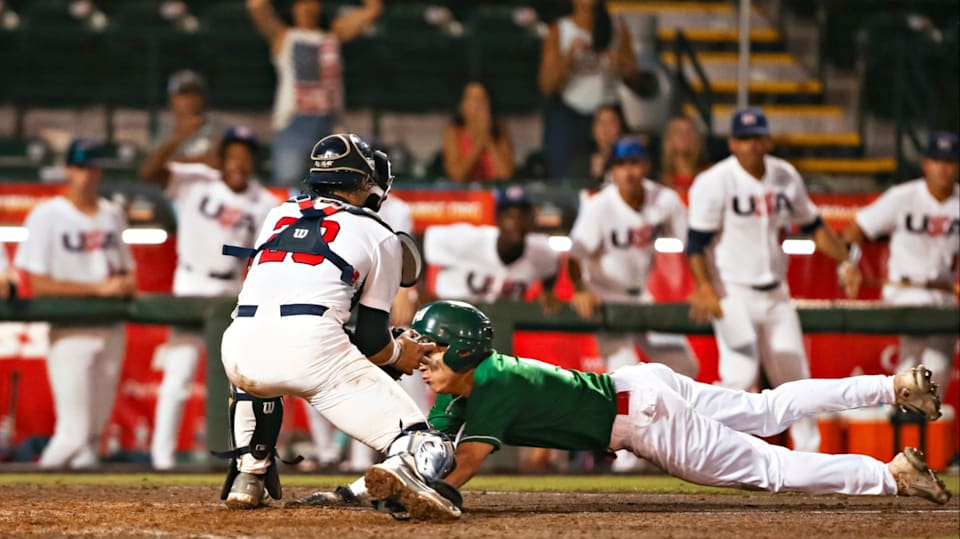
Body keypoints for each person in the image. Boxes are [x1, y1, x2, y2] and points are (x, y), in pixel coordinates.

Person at [295, 300, 953, 511]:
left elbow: (454, 476)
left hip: (645, 418)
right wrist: (358, 490)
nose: (424, 360)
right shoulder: (469, 381)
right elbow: (425, 453)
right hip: (643, 387)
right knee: (768, 404)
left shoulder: (491, 385)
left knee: (770, 465)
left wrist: (410, 494)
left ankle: (888, 474)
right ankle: (891, 387)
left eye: (433, 351)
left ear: (465, 353)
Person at [216, 133, 461, 520]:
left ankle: (249, 473)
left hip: (237, 349)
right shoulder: (381, 234)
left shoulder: (277, 214)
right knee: (431, 446)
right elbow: (372, 340)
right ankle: (401, 470)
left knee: (259, 358)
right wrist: (401, 353)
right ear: (364, 183)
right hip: (314, 354)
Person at [685, 107, 862, 453]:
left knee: (795, 376)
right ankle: (715, 453)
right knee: (739, 375)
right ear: (733, 142)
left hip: (777, 293)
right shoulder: (715, 181)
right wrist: (703, 286)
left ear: (768, 140)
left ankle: (809, 455)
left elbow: (813, 227)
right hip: (731, 290)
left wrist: (846, 261)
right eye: (745, 138)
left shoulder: (784, 175)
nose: (752, 145)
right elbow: (695, 243)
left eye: (758, 137)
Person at [143, 125, 278, 470]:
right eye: (233, 155)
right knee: (179, 374)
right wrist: (178, 136)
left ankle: (237, 453)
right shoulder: (198, 180)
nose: (239, 163)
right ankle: (161, 459)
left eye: (245, 157)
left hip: (231, 289)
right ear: (221, 158)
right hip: (190, 282)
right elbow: (150, 172)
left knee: (237, 378)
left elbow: (266, 254)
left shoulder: (264, 202)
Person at [14, 139, 137, 469]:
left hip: (110, 328)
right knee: (73, 432)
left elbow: (128, 271)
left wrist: (124, 284)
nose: (88, 174)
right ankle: (26, 501)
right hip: (71, 329)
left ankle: (81, 514)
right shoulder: (46, 215)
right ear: (68, 169)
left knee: (93, 438)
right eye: (81, 166)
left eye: (94, 166)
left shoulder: (113, 213)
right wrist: (99, 289)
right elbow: (38, 284)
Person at [843, 131, 959, 398]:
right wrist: (850, 266)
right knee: (915, 372)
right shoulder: (903, 196)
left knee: (936, 373)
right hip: (905, 291)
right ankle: (905, 425)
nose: (944, 167)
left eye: (950, 161)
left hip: (942, 293)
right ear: (925, 163)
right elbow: (855, 230)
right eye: (937, 160)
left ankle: (914, 429)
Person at [569, 137, 698, 377]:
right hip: (606, 298)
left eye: (634, 163)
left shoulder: (664, 198)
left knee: (684, 365)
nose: (628, 171)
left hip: (641, 297)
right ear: (613, 170)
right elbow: (575, 255)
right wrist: (580, 288)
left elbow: (693, 244)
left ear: (646, 166)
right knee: (624, 373)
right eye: (621, 164)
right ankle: (625, 415)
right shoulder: (599, 206)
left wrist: (703, 285)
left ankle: (663, 414)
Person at [247, 0, 382, 186]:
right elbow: (256, 6)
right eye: (301, 3)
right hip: (294, 122)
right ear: (293, 8)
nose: (307, 7)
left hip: (330, 122)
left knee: (336, 186)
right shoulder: (284, 36)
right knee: (287, 186)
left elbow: (373, 9)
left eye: (312, 2)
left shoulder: (333, 34)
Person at [538, 0, 655, 180]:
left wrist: (619, 63)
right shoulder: (559, 30)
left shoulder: (616, 27)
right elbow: (547, 85)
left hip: (607, 112)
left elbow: (634, 77)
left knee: (620, 169)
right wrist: (569, 57)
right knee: (565, 173)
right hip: (570, 112)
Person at [423, 185, 561, 313]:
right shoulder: (469, 238)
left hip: (499, 325)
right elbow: (423, 241)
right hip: (451, 314)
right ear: (498, 219)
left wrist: (547, 291)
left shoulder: (542, 251)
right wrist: (415, 291)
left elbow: (551, 267)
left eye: (523, 216)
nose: (517, 223)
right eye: (510, 216)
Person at [139, 70, 220, 183]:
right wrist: (179, 137)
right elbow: (147, 172)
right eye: (183, 94)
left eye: (195, 93)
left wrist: (169, 163)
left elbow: (217, 163)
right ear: (172, 99)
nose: (190, 99)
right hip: (169, 194)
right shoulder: (163, 131)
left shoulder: (216, 129)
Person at [442, 81, 515, 183]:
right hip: (467, 196)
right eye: (473, 98)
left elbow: (506, 175)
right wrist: (478, 144)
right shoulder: (454, 133)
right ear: (462, 106)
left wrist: (488, 139)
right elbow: (457, 175)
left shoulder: (500, 130)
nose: (479, 103)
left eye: (483, 98)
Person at [659, 116, 708, 192]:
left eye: (689, 131)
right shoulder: (660, 181)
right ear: (669, 139)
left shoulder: (709, 174)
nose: (684, 136)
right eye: (678, 131)